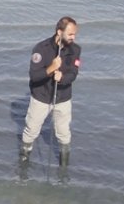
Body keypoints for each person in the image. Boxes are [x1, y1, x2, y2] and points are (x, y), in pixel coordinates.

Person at [20, 16, 81, 167]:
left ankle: (64, 168)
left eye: (75, 34)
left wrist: (62, 78)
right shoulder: (41, 49)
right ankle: (23, 163)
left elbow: (73, 74)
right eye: (70, 34)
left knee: (64, 134)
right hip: (41, 97)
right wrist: (51, 69)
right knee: (31, 131)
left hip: (63, 99)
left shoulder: (76, 50)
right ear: (59, 32)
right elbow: (34, 76)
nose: (73, 37)